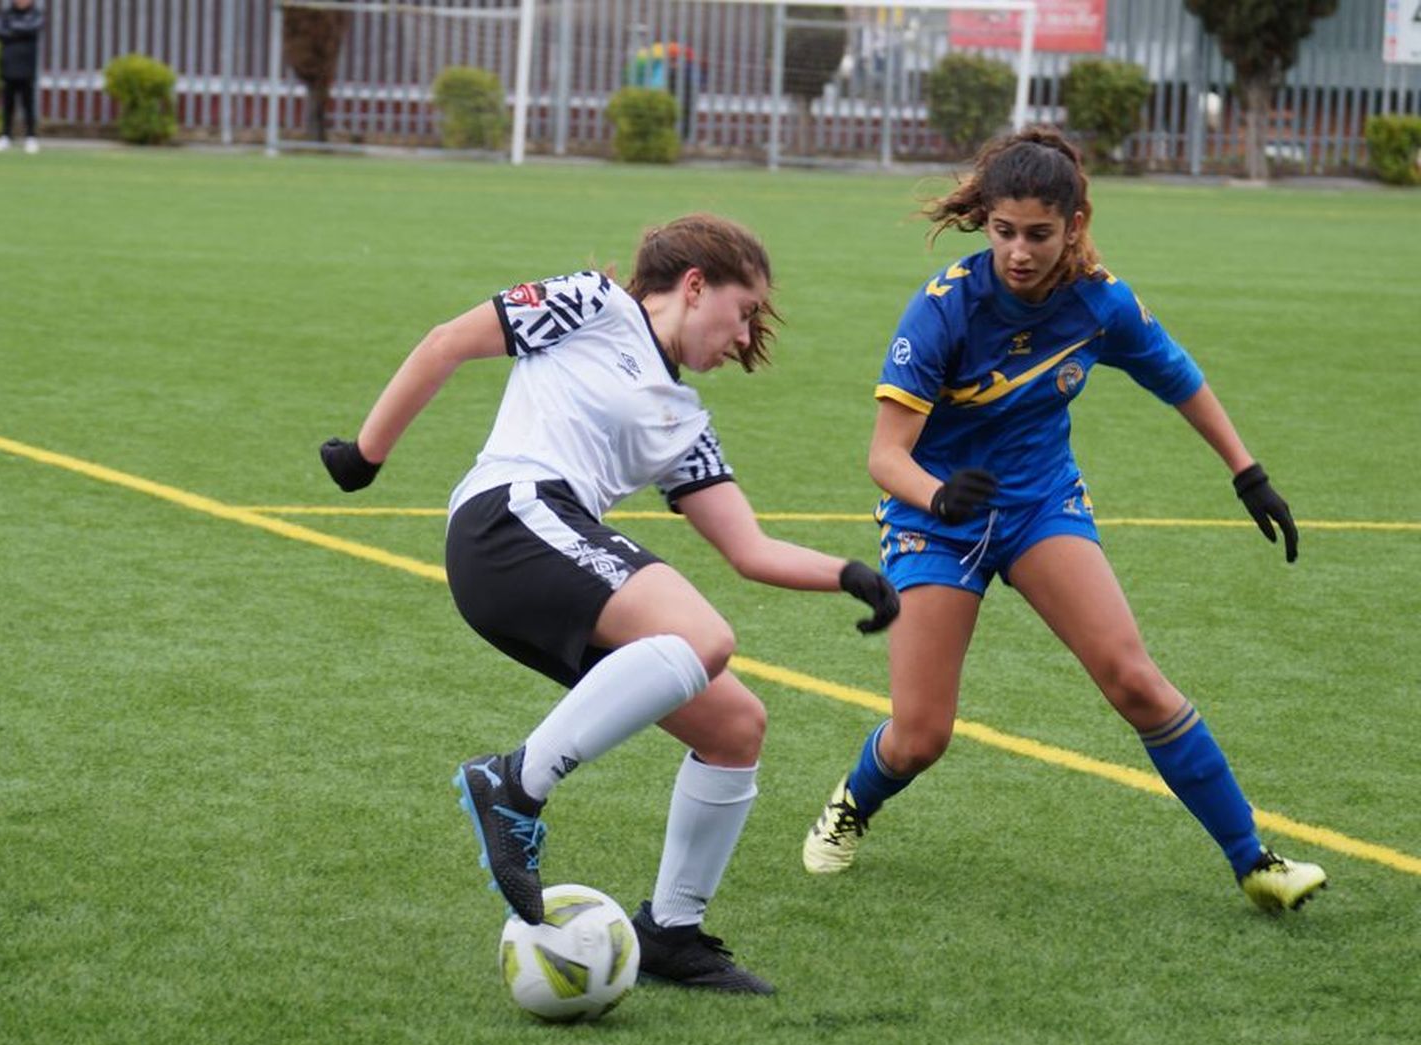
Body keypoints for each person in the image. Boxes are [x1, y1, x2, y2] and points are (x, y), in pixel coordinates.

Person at [321, 214, 899, 994]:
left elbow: (749, 549)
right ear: (695, 285)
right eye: (746, 309)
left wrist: (849, 572)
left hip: (547, 552)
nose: (745, 335)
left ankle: (671, 932)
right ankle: (512, 783)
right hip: (510, 517)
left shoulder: (687, 421)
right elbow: (445, 343)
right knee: (702, 637)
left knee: (734, 725)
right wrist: (365, 454)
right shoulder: (593, 303)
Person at [801, 127, 1327, 914]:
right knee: (921, 736)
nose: (1018, 251)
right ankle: (854, 801)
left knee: (1134, 680)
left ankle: (1254, 860)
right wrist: (938, 497)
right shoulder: (944, 308)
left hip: (1041, 506)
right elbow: (886, 456)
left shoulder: (1101, 302)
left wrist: (1246, 472)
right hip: (935, 522)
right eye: (1004, 232)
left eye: (1039, 234)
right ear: (987, 222)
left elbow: (1179, 377)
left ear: (1074, 224)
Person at [0, 0, 45, 154]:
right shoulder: (6, 14)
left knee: (28, 103)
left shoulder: (35, 14)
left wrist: (13, 30)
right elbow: (0, 31)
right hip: (8, 63)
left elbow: (32, 28)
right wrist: (19, 31)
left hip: (27, 64)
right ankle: (6, 135)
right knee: (8, 102)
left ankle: (30, 136)